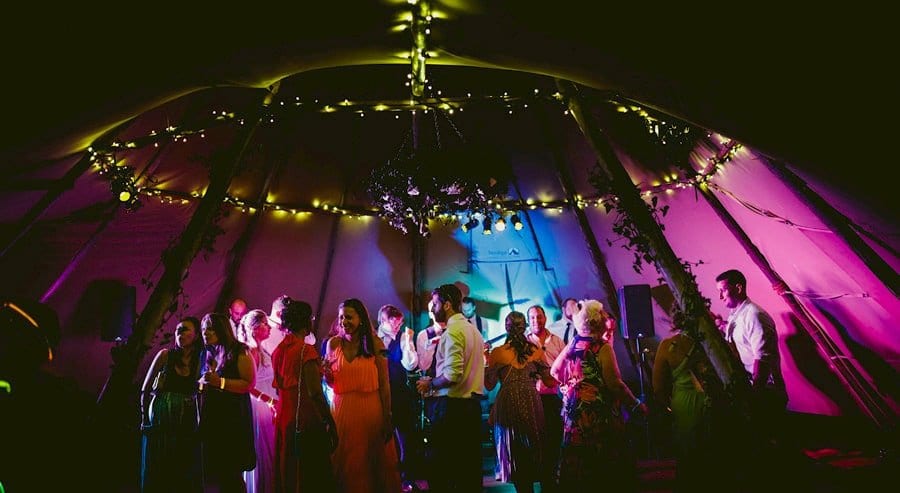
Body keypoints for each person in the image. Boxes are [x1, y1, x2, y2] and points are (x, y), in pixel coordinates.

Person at [550, 299, 647, 491]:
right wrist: (636, 404)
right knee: (603, 466)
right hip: (597, 413)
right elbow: (614, 384)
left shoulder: (574, 343)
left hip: (575, 413)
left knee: (579, 467)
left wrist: (568, 387)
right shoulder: (602, 347)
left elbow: (554, 371)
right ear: (596, 320)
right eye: (602, 315)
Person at [324, 298, 401, 493]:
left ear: (361, 319)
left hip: (370, 410)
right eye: (341, 317)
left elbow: (384, 383)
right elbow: (332, 383)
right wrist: (326, 376)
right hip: (342, 410)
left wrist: (387, 415)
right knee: (346, 465)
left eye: (349, 317)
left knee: (369, 464)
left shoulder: (375, 343)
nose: (344, 322)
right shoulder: (332, 344)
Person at [415, 284, 485, 493]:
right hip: (471, 407)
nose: (433, 307)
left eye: (435, 303)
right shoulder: (473, 330)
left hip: (453, 408)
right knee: (469, 471)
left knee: (443, 471)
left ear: (446, 305)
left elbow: (453, 375)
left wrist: (429, 383)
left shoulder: (453, 332)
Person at [272, 297, 337, 493]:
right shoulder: (305, 351)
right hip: (305, 418)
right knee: (310, 472)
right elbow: (315, 392)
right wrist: (330, 421)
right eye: (311, 318)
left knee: (289, 468)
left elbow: (280, 386)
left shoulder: (279, 351)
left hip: (285, 416)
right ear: (304, 321)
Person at [486, 311, 555, 493]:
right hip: (531, 401)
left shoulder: (498, 353)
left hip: (508, 402)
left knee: (514, 451)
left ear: (507, 329)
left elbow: (489, 384)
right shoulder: (535, 351)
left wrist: (487, 361)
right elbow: (550, 381)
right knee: (532, 446)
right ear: (524, 327)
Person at [715, 270, 787, 444]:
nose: (720, 296)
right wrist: (721, 325)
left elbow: (762, 358)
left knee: (769, 445)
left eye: (723, 290)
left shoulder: (755, 315)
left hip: (765, 392)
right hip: (754, 390)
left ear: (738, 288)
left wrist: (754, 396)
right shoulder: (736, 314)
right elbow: (742, 336)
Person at [651, 318, 724, 492]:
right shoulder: (716, 341)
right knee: (715, 465)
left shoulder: (669, 345)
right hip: (716, 405)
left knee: (688, 464)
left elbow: (658, 387)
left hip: (685, 408)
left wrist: (670, 407)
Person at [139, 316, 203, 493]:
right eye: (178, 330)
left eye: (185, 329)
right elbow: (145, 388)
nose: (180, 333)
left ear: (196, 336)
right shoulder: (165, 355)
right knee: (160, 461)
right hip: (161, 419)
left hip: (184, 421)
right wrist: (144, 418)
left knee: (181, 463)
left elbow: (199, 392)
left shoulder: (199, 360)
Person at [198, 312, 257, 493]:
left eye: (209, 329)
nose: (205, 333)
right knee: (219, 472)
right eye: (203, 329)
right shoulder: (209, 354)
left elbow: (249, 383)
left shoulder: (239, 350)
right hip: (214, 417)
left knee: (232, 472)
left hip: (232, 419)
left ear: (221, 330)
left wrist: (220, 383)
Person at [376, 304, 419, 492]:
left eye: (400, 323)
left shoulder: (402, 338)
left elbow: (410, 365)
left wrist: (408, 341)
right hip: (377, 393)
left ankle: (405, 479)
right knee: (381, 438)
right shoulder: (373, 339)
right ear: (383, 321)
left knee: (405, 440)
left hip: (399, 393)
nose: (398, 327)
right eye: (394, 323)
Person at [525, 305, 565, 493]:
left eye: (539, 317)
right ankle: (539, 477)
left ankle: (551, 479)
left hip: (553, 398)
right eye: (532, 318)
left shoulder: (557, 341)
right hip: (532, 399)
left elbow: (566, 366)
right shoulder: (524, 344)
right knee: (536, 440)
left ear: (545, 318)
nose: (536, 321)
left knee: (554, 439)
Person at [241, 310, 278, 493]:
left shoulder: (262, 349)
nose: (269, 327)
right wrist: (269, 400)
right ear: (254, 328)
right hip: (259, 406)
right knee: (263, 450)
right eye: (265, 323)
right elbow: (248, 385)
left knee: (270, 448)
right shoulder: (251, 351)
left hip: (269, 400)